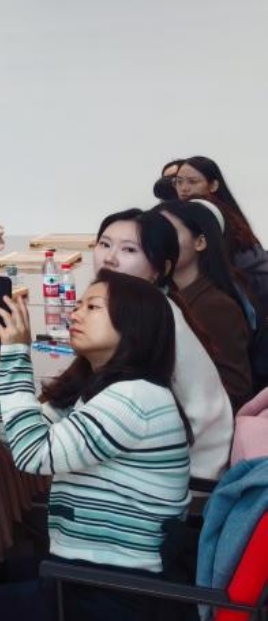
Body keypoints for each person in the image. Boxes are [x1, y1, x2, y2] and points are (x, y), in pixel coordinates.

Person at [0, 272, 191, 621]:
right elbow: (21, 439)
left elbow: (33, 455)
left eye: (93, 307)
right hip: (97, 575)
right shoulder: (102, 386)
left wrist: (17, 356)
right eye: (79, 304)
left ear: (135, 325)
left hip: (123, 601)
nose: (75, 313)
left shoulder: (134, 398)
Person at [94, 209, 233, 479]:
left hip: (189, 471)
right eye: (104, 244)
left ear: (160, 269)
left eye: (129, 250)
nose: (109, 258)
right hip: (165, 452)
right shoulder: (142, 306)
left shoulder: (150, 320)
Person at [153, 200, 254, 408]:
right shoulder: (166, 295)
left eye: (169, 233)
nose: (158, 242)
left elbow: (235, 389)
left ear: (199, 242)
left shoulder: (217, 306)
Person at [172, 156, 268, 304]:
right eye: (179, 182)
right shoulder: (188, 213)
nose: (184, 188)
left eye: (193, 182)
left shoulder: (214, 215)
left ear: (213, 185)